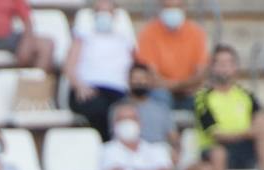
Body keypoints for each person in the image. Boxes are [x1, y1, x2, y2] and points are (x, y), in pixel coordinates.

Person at [186, 45, 264, 170]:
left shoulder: (245, 94)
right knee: (219, 154)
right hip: (214, 148)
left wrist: (255, 130)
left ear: (235, 67)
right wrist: (248, 132)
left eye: (229, 63)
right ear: (212, 67)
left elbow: (262, 120)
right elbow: (216, 134)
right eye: (220, 63)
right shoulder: (202, 97)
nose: (225, 68)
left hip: (243, 148)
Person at [65, 0, 135, 141]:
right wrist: (79, 86)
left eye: (107, 12)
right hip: (88, 90)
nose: (103, 16)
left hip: (118, 92)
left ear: (114, 15)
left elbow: (135, 67)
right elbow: (68, 66)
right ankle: (105, 146)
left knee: (129, 111)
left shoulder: (124, 37)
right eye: (99, 12)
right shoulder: (83, 36)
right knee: (100, 109)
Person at [133, 0, 210, 110]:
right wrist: (179, 86)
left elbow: (200, 74)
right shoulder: (148, 33)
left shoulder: (196, 33)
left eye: (176, 7)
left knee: (206, 99)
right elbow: (150, 74)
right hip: (161, 93)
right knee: (159, 96)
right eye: (168, 7)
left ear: (184, 8)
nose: (172, 11)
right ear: (160, 8)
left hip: (189, 93)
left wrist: (177, 85)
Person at [126, 64, 178, 150]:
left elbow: (173, 136)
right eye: (135, 79)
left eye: (143, 78)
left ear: (149, 81)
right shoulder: (119, 109)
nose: (139, 82)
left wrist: (176, 150)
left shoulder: (161, 108)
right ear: (129, 81)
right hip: (128, 154)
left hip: (157, 153)